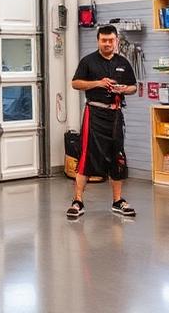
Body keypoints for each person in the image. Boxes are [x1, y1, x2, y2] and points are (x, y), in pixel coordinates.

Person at [67, 25, 137, 219]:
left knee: (118, 156)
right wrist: (98, 83)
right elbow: (75, 83)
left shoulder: (123, 62)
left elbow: (134, 87)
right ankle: (77, 201)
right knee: (86, 155)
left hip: (115, 116)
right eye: (104, 40)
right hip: (94, 114)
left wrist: (123, 89)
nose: (107, 44)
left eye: (111, 40)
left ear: (116, 41)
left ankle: (117, 201)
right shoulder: (88, 61)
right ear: (98, 40)